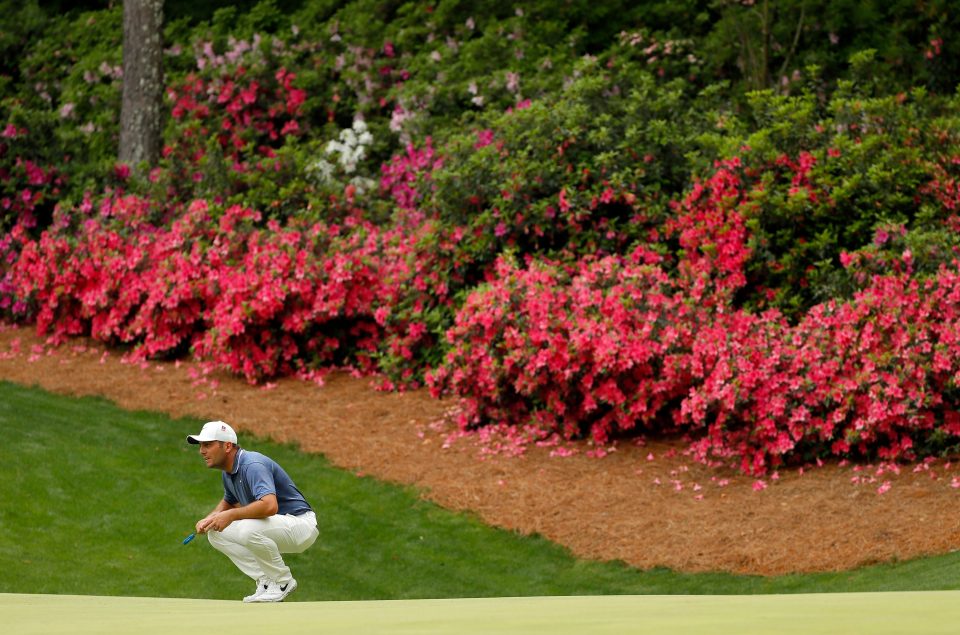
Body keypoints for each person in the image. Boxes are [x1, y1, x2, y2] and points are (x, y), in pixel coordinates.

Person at [187, 420, 319, 603]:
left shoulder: (252, 465)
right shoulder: (229, 472)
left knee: (247, 528)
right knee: (216, 533)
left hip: (301, 525)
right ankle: (266, 581)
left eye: (208, 445)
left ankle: (282, 582)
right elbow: (229, 502)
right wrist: (210, 519)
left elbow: (269, 506)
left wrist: (231, 515)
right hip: (279, 526)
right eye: (201, 445)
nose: (202, 451)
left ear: (227, 446)